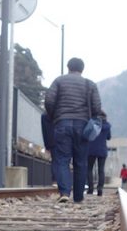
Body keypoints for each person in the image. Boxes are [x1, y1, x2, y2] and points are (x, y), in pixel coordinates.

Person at [44, 57, 103, 203]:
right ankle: (78, 197)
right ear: (82, 69)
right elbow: (97, 107)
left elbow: (49, 101)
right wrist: (92, 118)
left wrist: (55, 117)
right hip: (82, 126)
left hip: (62, 124)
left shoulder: (58, 81)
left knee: (62, 160)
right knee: (81, 162)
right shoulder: (90, 84)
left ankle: (64, 192)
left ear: (68, 67)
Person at [86, 113, 111, 196]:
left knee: (89, 169)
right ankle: (100, 189)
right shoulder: (107, 126)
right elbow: (109, 137)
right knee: (101, 170)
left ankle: (90, 188)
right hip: (102, 149)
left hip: (91, 149)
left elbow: (87, 134)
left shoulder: (92, 123)